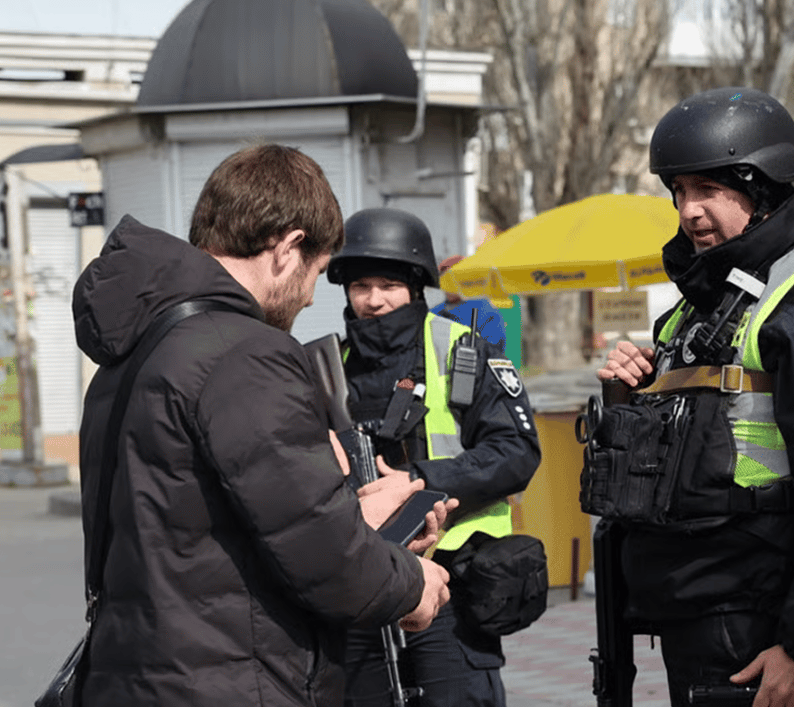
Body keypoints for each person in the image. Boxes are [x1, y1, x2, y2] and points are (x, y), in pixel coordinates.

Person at [72, 144, 453, 707]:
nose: (309, 299)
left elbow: (200, 536)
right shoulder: (244, 354)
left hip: (139, 675)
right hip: (226, 682)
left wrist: (354, 518)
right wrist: (412, 584)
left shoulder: (134, 355)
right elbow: (324, 556)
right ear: (288, 247)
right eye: (316, 273)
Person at [596, 87, 794, 707]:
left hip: (757, 619)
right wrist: (628, 396)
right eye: (679, 190)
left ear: (762, 189)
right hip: (695, 602)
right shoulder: (706, 299)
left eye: (708, 189)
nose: (689, 210)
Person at [328, 208, 542, 707]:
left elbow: (516, 452)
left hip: (450, 584)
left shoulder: (462, 352)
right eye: (361, 286)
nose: (374, 300)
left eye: (388, 285)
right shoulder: (329, 368)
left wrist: (417, 480)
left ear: (414, 286)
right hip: (362, 586)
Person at [432, 254, 509, 350]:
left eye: (452, 279)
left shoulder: (487, 314)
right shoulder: (434, 313)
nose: (447, 286)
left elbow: (493, 350)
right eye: (444, 279)